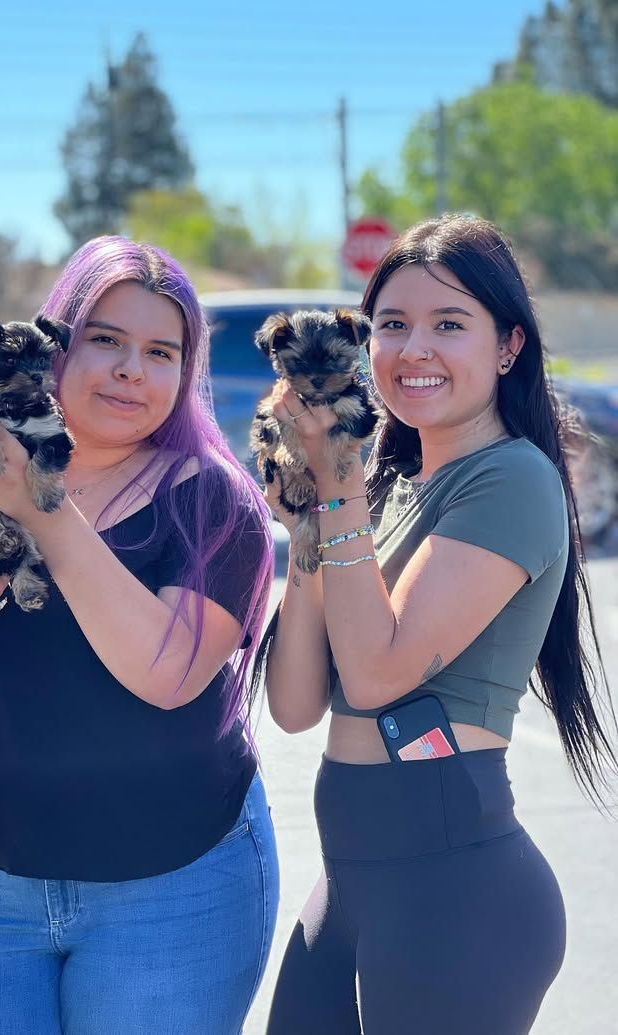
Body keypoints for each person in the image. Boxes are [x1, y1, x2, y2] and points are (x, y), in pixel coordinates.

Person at [0, 236, 278, 1035]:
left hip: (174, 884)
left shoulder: (214, 503)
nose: (131, 370)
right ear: (55, 344)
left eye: (161, 352)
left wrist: (43, 507)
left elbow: (166, 673)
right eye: (105, 339)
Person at [259, 214, 617, 1035]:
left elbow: (379, 675)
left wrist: (336, 478)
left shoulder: (513, 478)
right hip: (351, 882)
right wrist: (310, 522)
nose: (413, 348)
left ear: (508, 346)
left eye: (449, 324)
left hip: (455, 896)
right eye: (392, 324)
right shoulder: (385, 488)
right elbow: (295, 702)